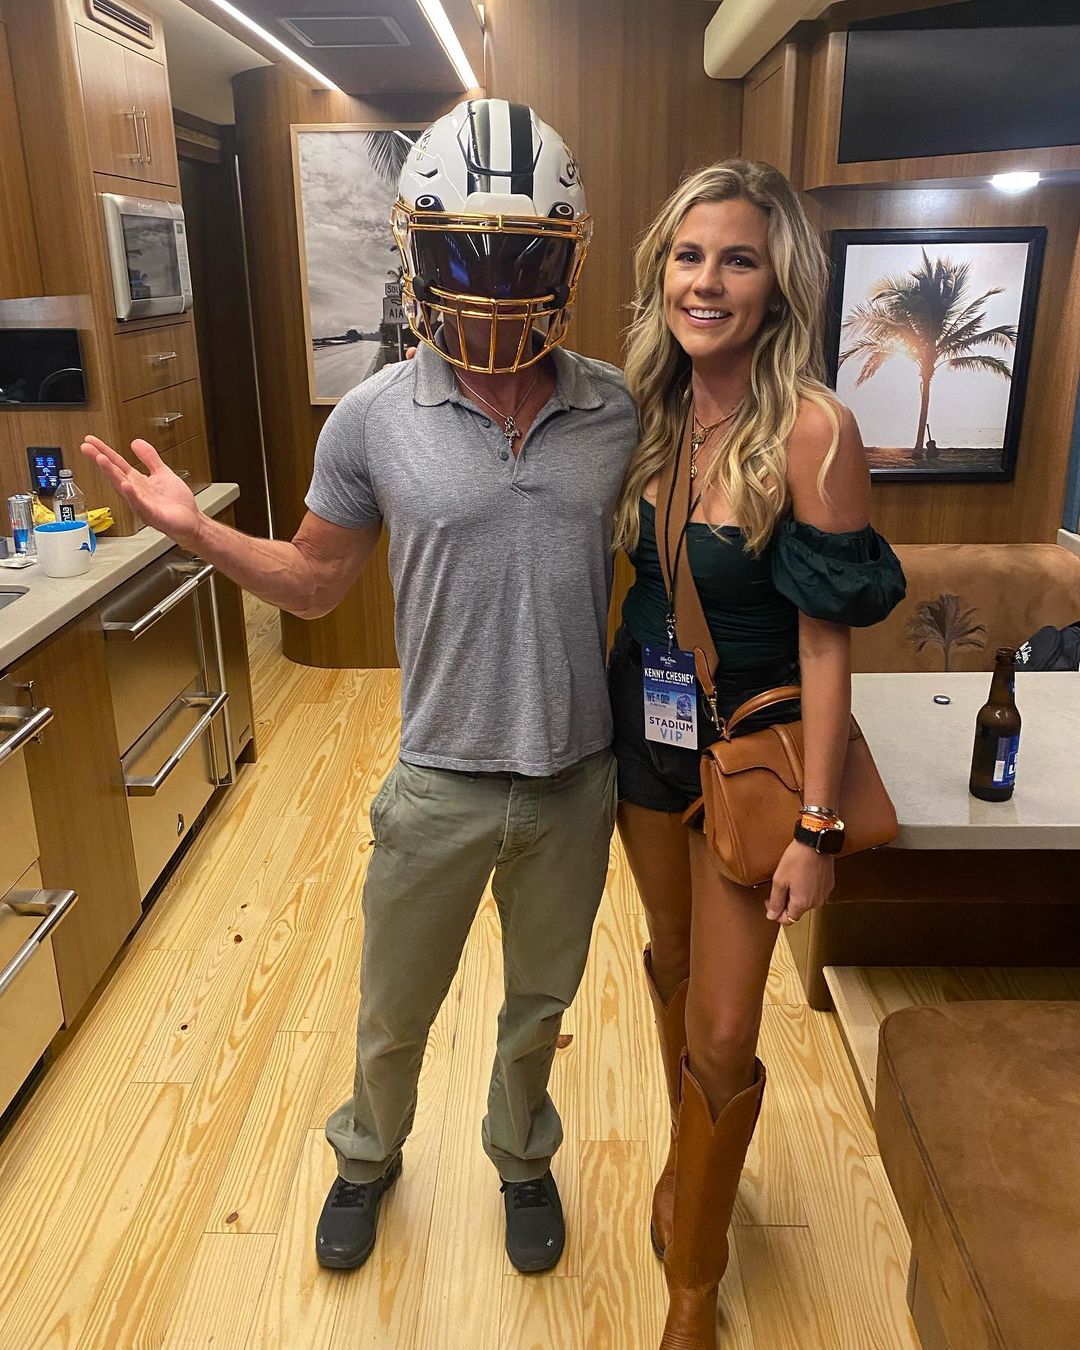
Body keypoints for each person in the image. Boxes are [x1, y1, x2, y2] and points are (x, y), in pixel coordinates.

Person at [81, 99, 637, 1277]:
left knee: (541, 1005)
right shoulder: (377, 415)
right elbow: (316, 581)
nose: (493, 290)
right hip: (439, 773)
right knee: (394, 1009)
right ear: (418, 255)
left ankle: (520, 1157)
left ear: (564, 259)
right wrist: (196, 533)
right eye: (465, 257)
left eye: (520, 259)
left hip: (576, 773)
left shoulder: (615, 410)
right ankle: (368, 1157)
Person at [607, 160, 906, 1349]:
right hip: (647, 737)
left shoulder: (814, 430)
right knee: (673, 965)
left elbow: (829, 643)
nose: (708, 281)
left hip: (756, 756)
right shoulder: (647, 408)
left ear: (778, 284)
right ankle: (688, 1171)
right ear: (661, 274)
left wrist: (820, 827)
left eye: (738, 259)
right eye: (689, 256)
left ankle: (695, 1282)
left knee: (726, 1028)